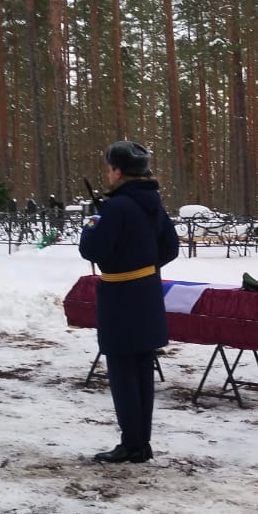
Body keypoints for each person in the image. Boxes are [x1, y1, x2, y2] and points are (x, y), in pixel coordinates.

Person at [79, 140, 180, 463]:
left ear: (118, 171)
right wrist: (143, 265)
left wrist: (92, 227)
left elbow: (91, 250)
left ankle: (131, 443)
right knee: (142, 371)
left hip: (121, 297)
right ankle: (141, 441)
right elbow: (170, 248)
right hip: (147, 294)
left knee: (123, 372)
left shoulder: (116, 207)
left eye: (110, 169)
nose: (108, 175)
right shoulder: (154, 203)